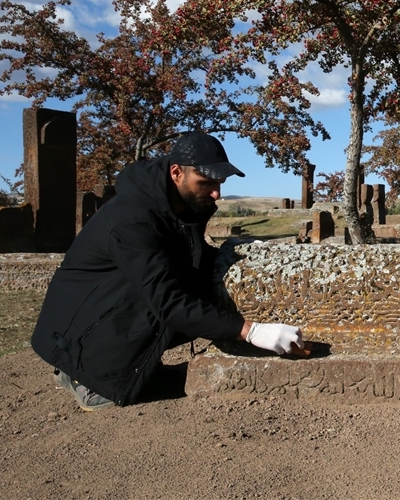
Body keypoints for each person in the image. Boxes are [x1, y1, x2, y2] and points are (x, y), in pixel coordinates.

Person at [31, 132, 304, 411]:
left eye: (220, 183)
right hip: (80, 334)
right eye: (207, 182)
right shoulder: (132, 220)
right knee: (171, 302)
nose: (216, 193)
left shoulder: (180, 206)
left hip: (112, 309)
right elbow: (169, 301)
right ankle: (86, 377)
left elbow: (193, 260)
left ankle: (136, 364)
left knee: (200, 292)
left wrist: (244, 255)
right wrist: (248, 330)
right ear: (176, 172)